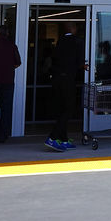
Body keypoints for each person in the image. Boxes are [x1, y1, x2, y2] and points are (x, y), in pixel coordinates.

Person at [47, 23, 86, 152]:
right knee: (69, 109)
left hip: (57, 78)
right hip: (68, 79)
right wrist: (84, 66)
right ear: (73, 29)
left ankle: (63, 139)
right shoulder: (78, 42)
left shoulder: (60, 41)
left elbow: (55, 58)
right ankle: (52, 137)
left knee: (62, 108)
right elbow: (80, 62)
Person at [0, 32, 22, 143]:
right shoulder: (12, 45)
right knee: (6, 109)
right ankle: (2, 135)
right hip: (8, 81)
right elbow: (18, 63)